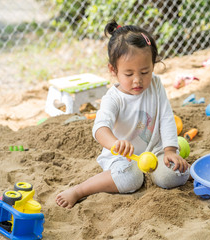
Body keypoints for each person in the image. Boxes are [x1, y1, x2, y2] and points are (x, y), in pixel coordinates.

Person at [56, 20, 190, 209]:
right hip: (122, 157)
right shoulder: (113, 98)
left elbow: (167, 118)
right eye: (128, 74)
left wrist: (170, 151)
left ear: (153, 65)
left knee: (174, 175)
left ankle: (186, 169)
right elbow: (100, 128)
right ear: (114, 70)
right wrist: (115, 144)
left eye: (145, 71)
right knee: (130, 178)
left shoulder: (156, 85)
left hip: (154, 150)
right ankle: (79, 190)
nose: (138, 80)